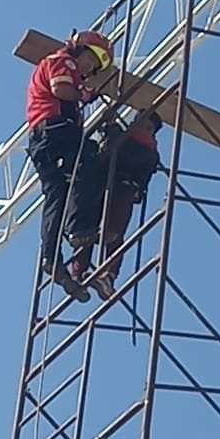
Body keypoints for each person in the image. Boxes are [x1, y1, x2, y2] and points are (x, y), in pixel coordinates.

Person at [24, 30, 115, 302]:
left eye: (95, 65)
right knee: (88, 161)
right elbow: (61, 90)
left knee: (57, 196)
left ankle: (51, 258)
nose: (89, 67)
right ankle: (78, 228)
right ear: (79, 50)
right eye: (90, 59)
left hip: (44, 139)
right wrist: (84, 94)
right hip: (55, 130)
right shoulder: (63, 62)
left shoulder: (66, 66)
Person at [68, 111, 164, 301]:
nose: (142, 128)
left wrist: (112, 128)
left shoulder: (143, 148)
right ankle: (89, 273)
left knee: (109, 232)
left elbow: (125, 154)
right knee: (96, 231)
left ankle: (96, 274)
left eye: (147, 127)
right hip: (110, 187)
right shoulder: (141, 147)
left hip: (119, 189)